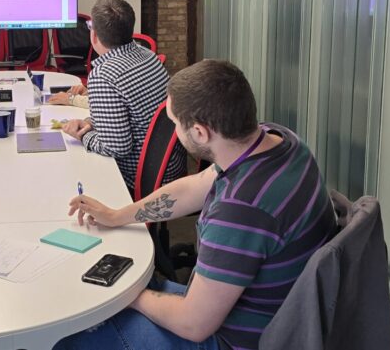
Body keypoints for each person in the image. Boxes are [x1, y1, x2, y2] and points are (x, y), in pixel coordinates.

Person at [55, 60, 337, 350]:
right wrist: (118, 215)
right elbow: (195, 187)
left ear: (200, 133)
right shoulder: (277, 142)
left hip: (232, 338)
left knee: (68, 340)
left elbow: (193, 325)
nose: (174, 131)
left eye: (175, 123)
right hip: (261, 308)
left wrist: (126, 296)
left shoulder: (241, 210)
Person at [60, 0, 185, 190]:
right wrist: (91, 124)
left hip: (139, 178)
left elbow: (116, 147)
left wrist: (82, 136)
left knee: (66, 167)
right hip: (170, 167)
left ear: (94, 35)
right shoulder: (148, 55)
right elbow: (135, 114)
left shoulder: (103, 75)